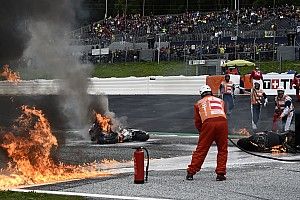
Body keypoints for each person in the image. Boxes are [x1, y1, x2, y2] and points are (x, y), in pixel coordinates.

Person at [186, 85, 228, 181]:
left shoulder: (198, 103)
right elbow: (223, 113)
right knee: (222, 149)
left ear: (201, 94)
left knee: (201, 149)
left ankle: (191, 172)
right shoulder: (221, 101)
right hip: (222, 123)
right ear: (211, 92)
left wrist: (202, 132)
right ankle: (220, 173)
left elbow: (197, 121)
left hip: (208, 124)